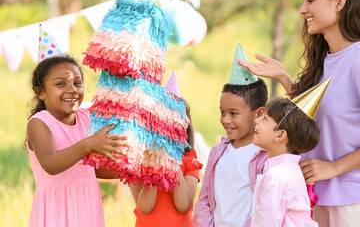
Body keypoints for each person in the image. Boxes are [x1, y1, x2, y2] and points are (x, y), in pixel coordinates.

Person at [237, 0, 360, 226]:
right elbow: (314, 113)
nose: (303, 9)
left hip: (351, 200)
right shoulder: (323, 59)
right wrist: (283, 76)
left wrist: (334, 168)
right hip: (311, 197)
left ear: (339, 2)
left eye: (311, 0)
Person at [26, 55, 129, 227]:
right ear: (40, 92)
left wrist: (128, 170)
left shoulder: (87, 118)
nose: (72, 89)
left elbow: (91, 168)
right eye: (60, 84)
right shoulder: (39, 123)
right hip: (55, 212)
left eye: (77, 83)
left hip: (88, 209)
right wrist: (88, 144)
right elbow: (50, 164)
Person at [194, 77, 268, 227]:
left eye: (233, 113)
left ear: (259, 114)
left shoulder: (265, 156)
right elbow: (205, 200)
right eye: (222, 112)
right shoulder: (217, 152)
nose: (225, 120)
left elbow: (265, 207)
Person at [129, 98, 203, 227]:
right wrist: (155, 165)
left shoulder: (190, 161)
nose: (165, 134)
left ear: (184, 129)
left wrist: (172, 161)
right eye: (160, 125)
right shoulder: (139, 161)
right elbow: (145, 208)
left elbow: (183, 205)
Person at [251, 97, 319, 226]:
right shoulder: (288, 170)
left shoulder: (277, 176)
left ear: (280, 135)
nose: (256, 120)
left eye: (264, 119)